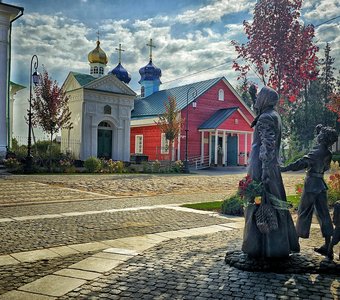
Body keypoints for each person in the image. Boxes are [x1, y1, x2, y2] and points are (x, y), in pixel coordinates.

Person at [242, 86, 300, 258]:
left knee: (261, 203)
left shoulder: (266, 118)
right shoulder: (273, 114)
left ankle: (261, 247)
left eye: (260, 96)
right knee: (275, 203)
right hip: (269, 166)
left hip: (262, 167)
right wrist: (253, 95)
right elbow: (258, 110)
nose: (258, 98)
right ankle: (276, 245)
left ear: (265, 99)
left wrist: (265, 173)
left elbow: (267, 146)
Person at [281, 125, 338, 258]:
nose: (317, 136)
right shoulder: (328, 153)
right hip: (321, 185)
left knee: (304, 212)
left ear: (322, 138)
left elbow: (301, 163)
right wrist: (320, 131)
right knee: (324, 215)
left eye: (319, 135)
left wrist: (284, 168)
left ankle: (295, 244)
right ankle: (328, 246)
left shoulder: (316, 152)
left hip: (311, 184)